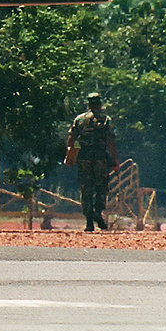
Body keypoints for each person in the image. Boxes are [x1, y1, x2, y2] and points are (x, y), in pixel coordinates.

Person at [65, 93, 119, 231]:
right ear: (100, 104)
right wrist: (115, 160)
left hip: (84, 158)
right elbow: (110, 141)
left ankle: (89, 220)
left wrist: (69, 155)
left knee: (86, 188)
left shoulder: (80, 119)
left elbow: (71, 139)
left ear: (88, 105)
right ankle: (98, 213)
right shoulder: (106, 120)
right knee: (101, 187)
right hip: (100, 158)